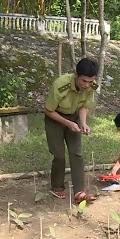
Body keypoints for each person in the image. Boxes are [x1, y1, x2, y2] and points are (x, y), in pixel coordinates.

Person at [44, 57, 97, 203]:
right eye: (84, 81)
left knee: (76, 153)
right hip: (54, 118)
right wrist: (67, 123)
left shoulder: (91, 87)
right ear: (76, 75)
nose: (87, 85)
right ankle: (57, 187)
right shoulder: (61, 84)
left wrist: (83, 123)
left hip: (73, 117)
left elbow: (83, 106)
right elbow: (48, 110)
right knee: (59, 155)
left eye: (90, 81)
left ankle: (79, 192)